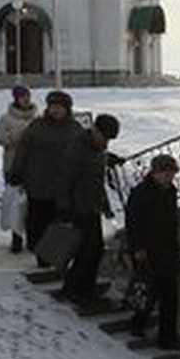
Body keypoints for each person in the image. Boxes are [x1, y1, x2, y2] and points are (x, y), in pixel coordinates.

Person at [8, 90, 85, 264]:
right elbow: (23, 150)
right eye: (52, 107)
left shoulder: (75, 129)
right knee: (37, 223)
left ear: (67, 109)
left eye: (59, 107)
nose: (56, 110)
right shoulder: (37, 127)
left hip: (64, 188)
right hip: (38, 185)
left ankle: (57, 257)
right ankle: (41, 256)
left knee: (60, 225)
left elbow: (84, 153)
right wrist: (17, 171)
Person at [57, 113, 120, 304]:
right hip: (78, 206)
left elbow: (97, 181)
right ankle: (76, 289)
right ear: (95, 130)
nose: (106, 141)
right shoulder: (77, 147)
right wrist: (64, 208)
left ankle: (82, 288)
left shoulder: (98, 149)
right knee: (88, 249)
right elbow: (64, 180)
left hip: (91, 206)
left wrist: (105, 206)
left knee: (94, 249)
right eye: (105, 136)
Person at [123, 154, 180, 348]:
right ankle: (138, 323)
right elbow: (133, 223)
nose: (169, 178)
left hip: (166, 250)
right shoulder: (140, 193)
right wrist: (137, 248)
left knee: (169, 295)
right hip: (147, 251)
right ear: (155, 173)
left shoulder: (171, 191)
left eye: (171, 174)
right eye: (165, 174)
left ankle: (167, 337)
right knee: (149, 290)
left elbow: (172, 223)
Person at [0, 85, 38, 253]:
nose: (25, 99)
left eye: (27, 96)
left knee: (31, 203)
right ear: (16, 98)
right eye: (22, 96)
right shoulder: (6, 118)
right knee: (15, 204)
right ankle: (16, 237)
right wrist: (15, 138)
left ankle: (32, 236)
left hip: (34, 166)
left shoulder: (36, 117)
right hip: (13, 165)